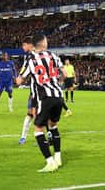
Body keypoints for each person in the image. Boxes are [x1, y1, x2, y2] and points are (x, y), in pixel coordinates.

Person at [16, 34, 65, 172]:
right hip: (58, 96)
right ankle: (58, 156)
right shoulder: (53, 55)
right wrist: (54, 81)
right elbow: (64, 74)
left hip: (45, 97)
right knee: (53, 126)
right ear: (43, 43)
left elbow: (20, 80)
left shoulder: (31, 59)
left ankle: (50, 162)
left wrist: (20, 78)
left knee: (38, 129)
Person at [18, 37, 36, 145]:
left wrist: (21, 77)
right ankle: (23, 137)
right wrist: (21, 76)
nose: (23, 48)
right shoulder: (28, 56)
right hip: (33, 91)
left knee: (39, 115)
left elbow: (26, 69)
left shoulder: (34, 55)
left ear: (29, 44)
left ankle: (42, 137)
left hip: (41, 91)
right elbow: (24, 67)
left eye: (24, 45)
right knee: (30, 113)